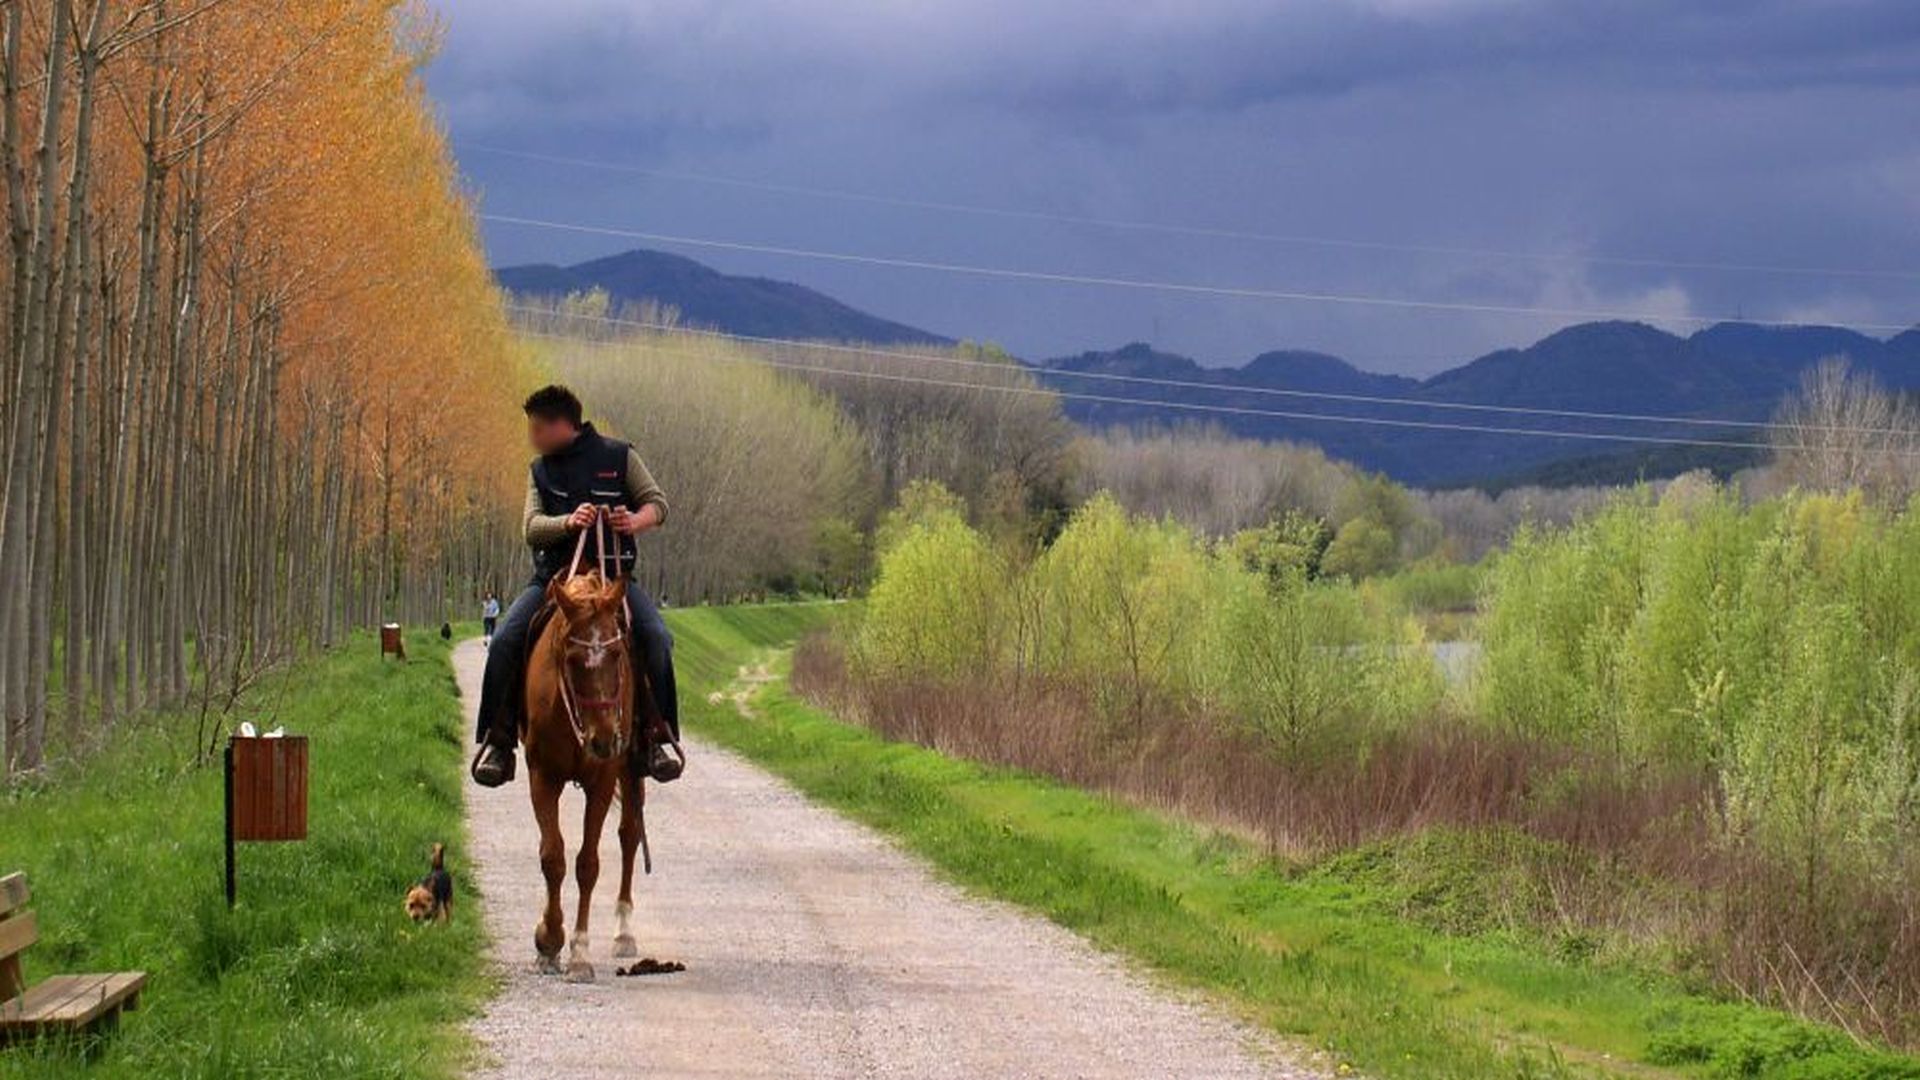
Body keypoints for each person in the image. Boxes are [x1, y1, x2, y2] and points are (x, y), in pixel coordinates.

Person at [471, 385, 680, 788]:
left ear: (560, 425)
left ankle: (657, 735)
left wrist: (635, 522)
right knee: (504, 642)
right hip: (555, 584)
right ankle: (499, 741)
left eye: (535, 428)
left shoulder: (620, 456)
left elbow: (658, 503)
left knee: (657, 638)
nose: (532, 437)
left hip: (610, 582)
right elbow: (531, 528)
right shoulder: (539, 470)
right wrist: (567, 522)